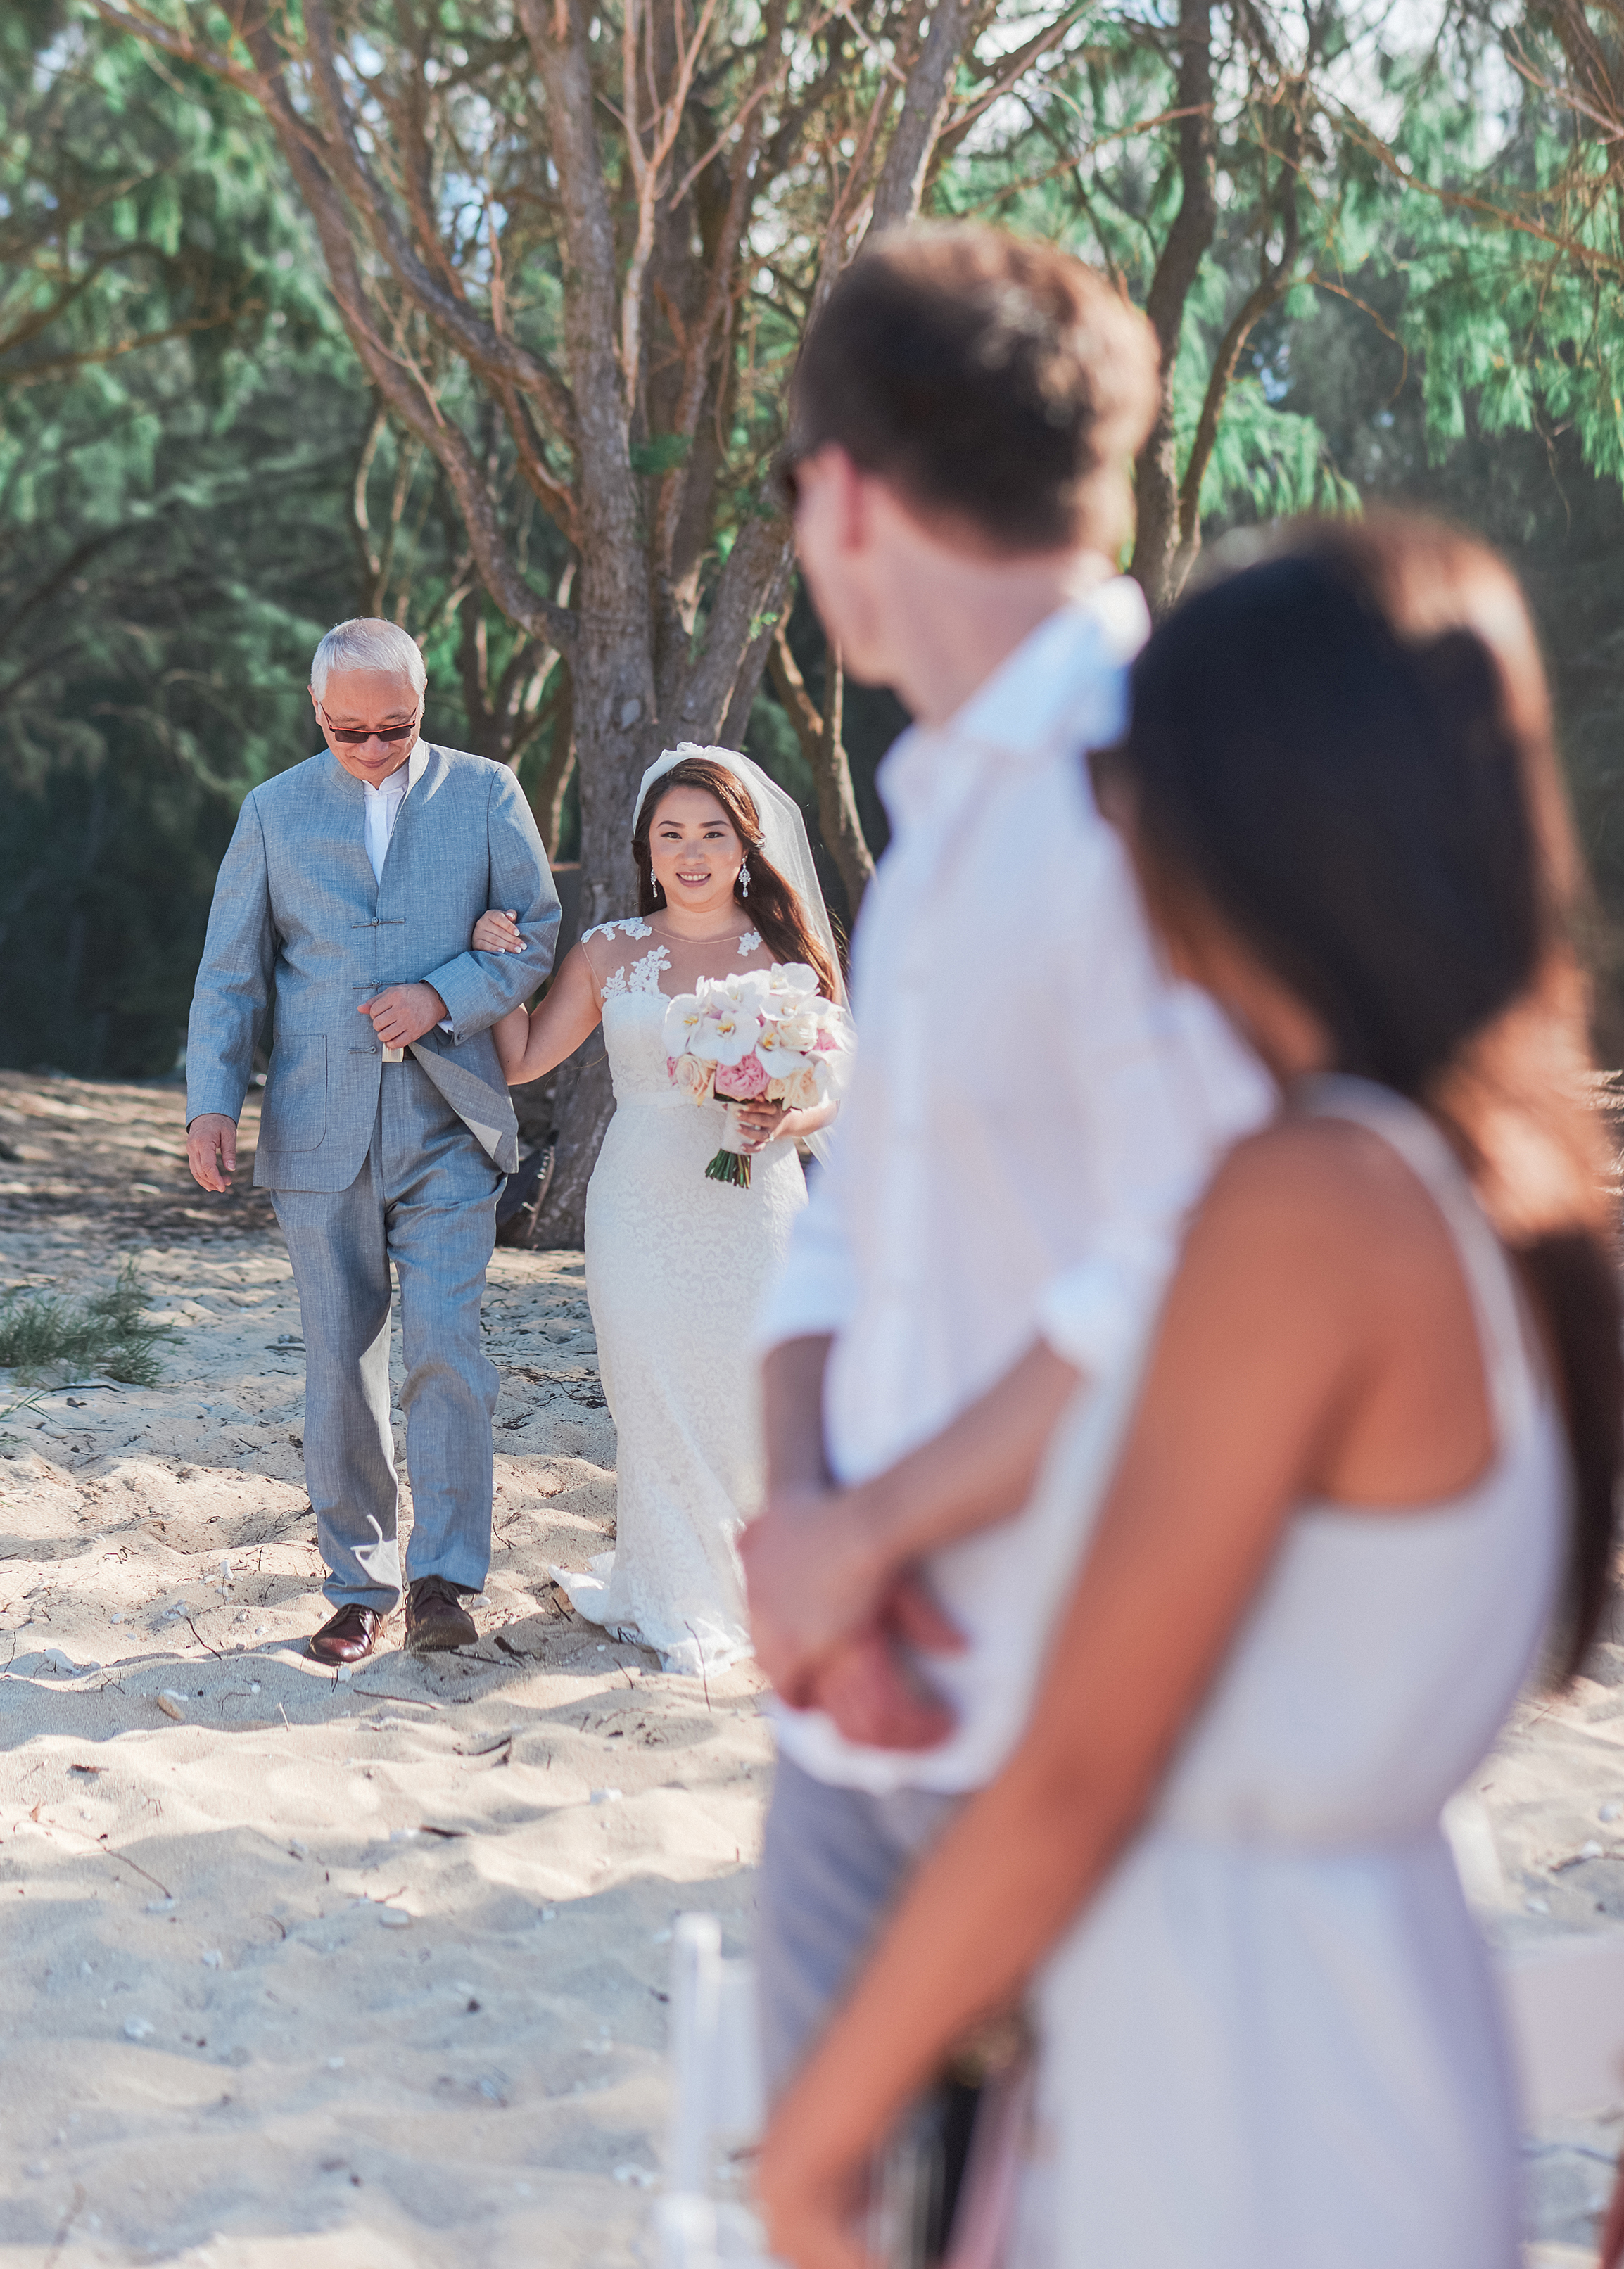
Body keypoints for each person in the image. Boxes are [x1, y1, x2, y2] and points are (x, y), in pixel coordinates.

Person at [756, 518, 1624, 2269]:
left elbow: (1083, 1762)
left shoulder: (1305, 1207)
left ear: (1247, 820)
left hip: (1239, 2096)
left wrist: (821, 2133)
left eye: (1131, 790)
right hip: (1343, 2031)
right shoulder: (1503, 1179)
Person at [739, 221, 1273, 2094]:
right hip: (857, 1710)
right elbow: (838, 1243)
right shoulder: (940, 809)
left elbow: (1190, 1267)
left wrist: (867, 1535)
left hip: (1070, 1725)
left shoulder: (1144, 792)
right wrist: (806, 1538)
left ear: (847, 495)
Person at [186, 618, 559, 1663]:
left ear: (424, 699)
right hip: (317, 1128)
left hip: (454, 1119)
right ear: (317, 714)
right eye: (349, 730)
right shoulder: (271, 811)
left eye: (394, 726)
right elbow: (230, 974)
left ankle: (444, 1578)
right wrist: (209, 1103)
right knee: (340, 1366)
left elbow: (535, 929)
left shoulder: (487, 792)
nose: (373, 747)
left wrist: (443, 991)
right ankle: (359, 1584)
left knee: (446, 1346)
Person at [472, 745, 843, 1676]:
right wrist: (498, 969)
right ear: (645, 847)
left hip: (756, 1199)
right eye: (671, 834)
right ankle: (678, 1590)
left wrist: (786, 1112)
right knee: (655, 1392)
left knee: (748, 1392)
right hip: (639, 1198)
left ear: (744, 846)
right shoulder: (610, 951)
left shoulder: (783, 954)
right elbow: (523, 1061)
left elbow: (836, 1078)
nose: (691, 853)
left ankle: (757, 1584)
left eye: (711, 834)